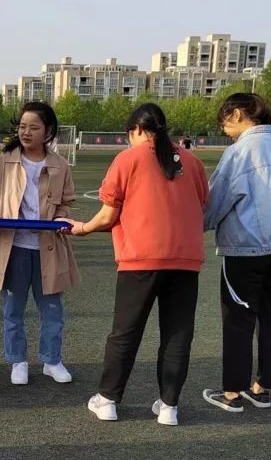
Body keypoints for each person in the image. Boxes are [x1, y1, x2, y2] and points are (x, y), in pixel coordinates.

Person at [65, 103, 208, 425]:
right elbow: (201, 203)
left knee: (125, 332)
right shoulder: (193, 162)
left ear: (137, 130)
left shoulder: (128, 159)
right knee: (177, 334)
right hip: (185, 259)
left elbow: (108, 215)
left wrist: (82, 228)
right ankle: (169, 405)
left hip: (140, 258)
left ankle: (108, 399)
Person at [202, 93, 271, 413]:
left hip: (246, 246)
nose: (223, 128)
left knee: (238, 318)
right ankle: (262, 387)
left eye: (224, 120)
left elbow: (217, 198)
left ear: (237, 114)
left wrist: (200, 223)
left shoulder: (241, 151)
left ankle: (232, 391)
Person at [0, 101, 79, 386]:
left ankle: (51, 360)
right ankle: (18, 361)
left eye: (33, 127)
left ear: (48, 131)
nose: (26, 132)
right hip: (14, 248)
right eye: (22, 127)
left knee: (52, 309)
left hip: (49, 248)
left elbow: (66, 202)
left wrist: (60, 218)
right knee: (13, 309)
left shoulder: (59, 165)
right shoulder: (6, 161)